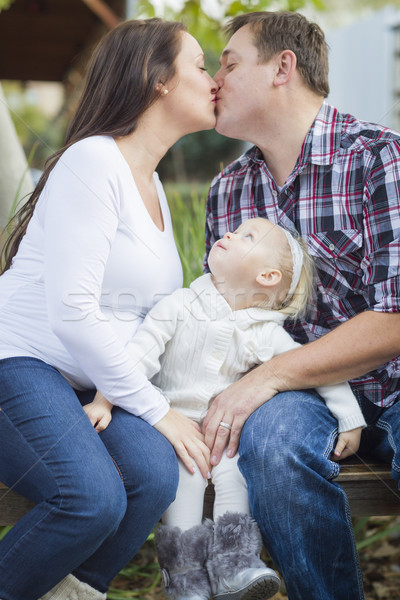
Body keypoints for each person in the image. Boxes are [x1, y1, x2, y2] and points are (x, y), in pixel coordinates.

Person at [0, 18, 217, 600]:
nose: (213, 78)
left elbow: (140, 318)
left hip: (89, 383)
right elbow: (72, 312)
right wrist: (155, 408)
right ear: (158, 80)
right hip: (19, 360)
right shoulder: (93, 163)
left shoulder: (153, 184)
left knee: (153, 476)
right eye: (200, 64)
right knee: (89, 498)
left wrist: (115, 394)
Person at [202, 10, 400, 600]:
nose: (215, 80)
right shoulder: (228, 191)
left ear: (282, 67)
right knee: (270, 442)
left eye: (230, 64)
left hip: (393, 383)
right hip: (300, 397)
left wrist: (268, 376)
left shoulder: (379, 159)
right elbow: (223, 317)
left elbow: (395, 317)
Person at [85, 216, 366, 600]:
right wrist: (104, 399)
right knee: (186, 479)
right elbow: (139, 355)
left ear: (267, 277)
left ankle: (235, 562)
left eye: (247, 235)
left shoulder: (264, 331)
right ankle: (184, 576)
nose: (230, 233)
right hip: (173, 425)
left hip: (224, 432)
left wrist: (349, 417)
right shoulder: (181, 303)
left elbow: (317, 371)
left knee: (236, 471)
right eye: (236, 229)